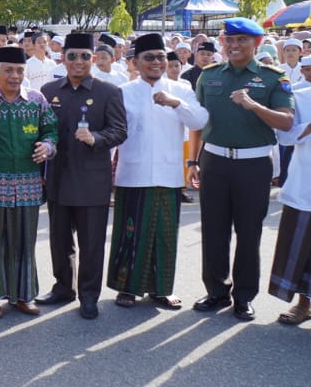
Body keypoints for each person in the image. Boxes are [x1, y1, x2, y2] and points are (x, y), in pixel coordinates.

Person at [189, 17, 294, 321]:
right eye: (229, 40)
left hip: (253, 164)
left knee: (249, 233)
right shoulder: (208, 76)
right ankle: (216, 291)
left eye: (242, 41)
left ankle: (244, 296)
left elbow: (286, 121)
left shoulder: (273, 78)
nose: (234, 46)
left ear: (256, 43)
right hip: (215, 161)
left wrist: (254, 106)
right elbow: (198, 121)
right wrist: (193, 161)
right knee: (214, 230)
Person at [107, 34, 209, 309]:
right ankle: (126, 288)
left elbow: (200, 120)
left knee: (164, 234)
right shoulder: (123, 92)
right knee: (131, 232)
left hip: (168, 174)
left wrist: (176, 103)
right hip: (133, 174)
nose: (156, 62)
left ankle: (162, 289)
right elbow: (113, 133)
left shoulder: (182, 89)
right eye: (148, 58)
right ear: (135, 63)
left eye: (161, 57)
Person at [38, 32, 128, 319]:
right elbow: (41, 129)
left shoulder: (108, 92)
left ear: (94, 59)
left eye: (85, 56)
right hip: (58, 178)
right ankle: (63, 286)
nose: (78, 62)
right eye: (72, 56)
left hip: (92, 180)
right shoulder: (49, 90)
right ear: (62, 58)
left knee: (91, 244)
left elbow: (120, 131)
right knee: (60, 240)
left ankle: (89, 295)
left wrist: (96, 137)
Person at [0, 46, 57, 317]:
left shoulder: (37, 100)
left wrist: (48, 146)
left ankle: (23, 295)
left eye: (19, 70)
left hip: (29, 185)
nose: (15, 75)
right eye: (8, 70)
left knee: (24, 241)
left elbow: (51, 129)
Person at [270, 78, 311, 324]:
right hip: (306, 186)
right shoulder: (301, 95)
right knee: (303, 249)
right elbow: (285, 138)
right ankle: (303, 304)